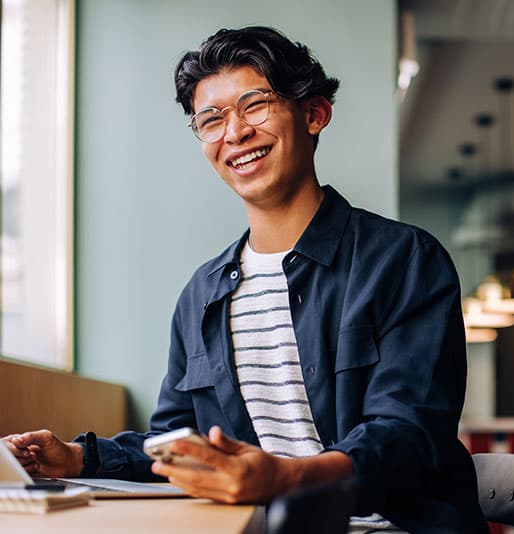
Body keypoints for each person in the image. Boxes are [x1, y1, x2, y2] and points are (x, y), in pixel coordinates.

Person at [2, 26, 488, 532]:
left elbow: (408, 436)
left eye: (254, 105)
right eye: (211, 119)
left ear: (314, 113)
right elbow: (179, 442)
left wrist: (281, 478)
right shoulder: (202, 295)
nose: (234, 133)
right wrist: (79, 459)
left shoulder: (406, 260)